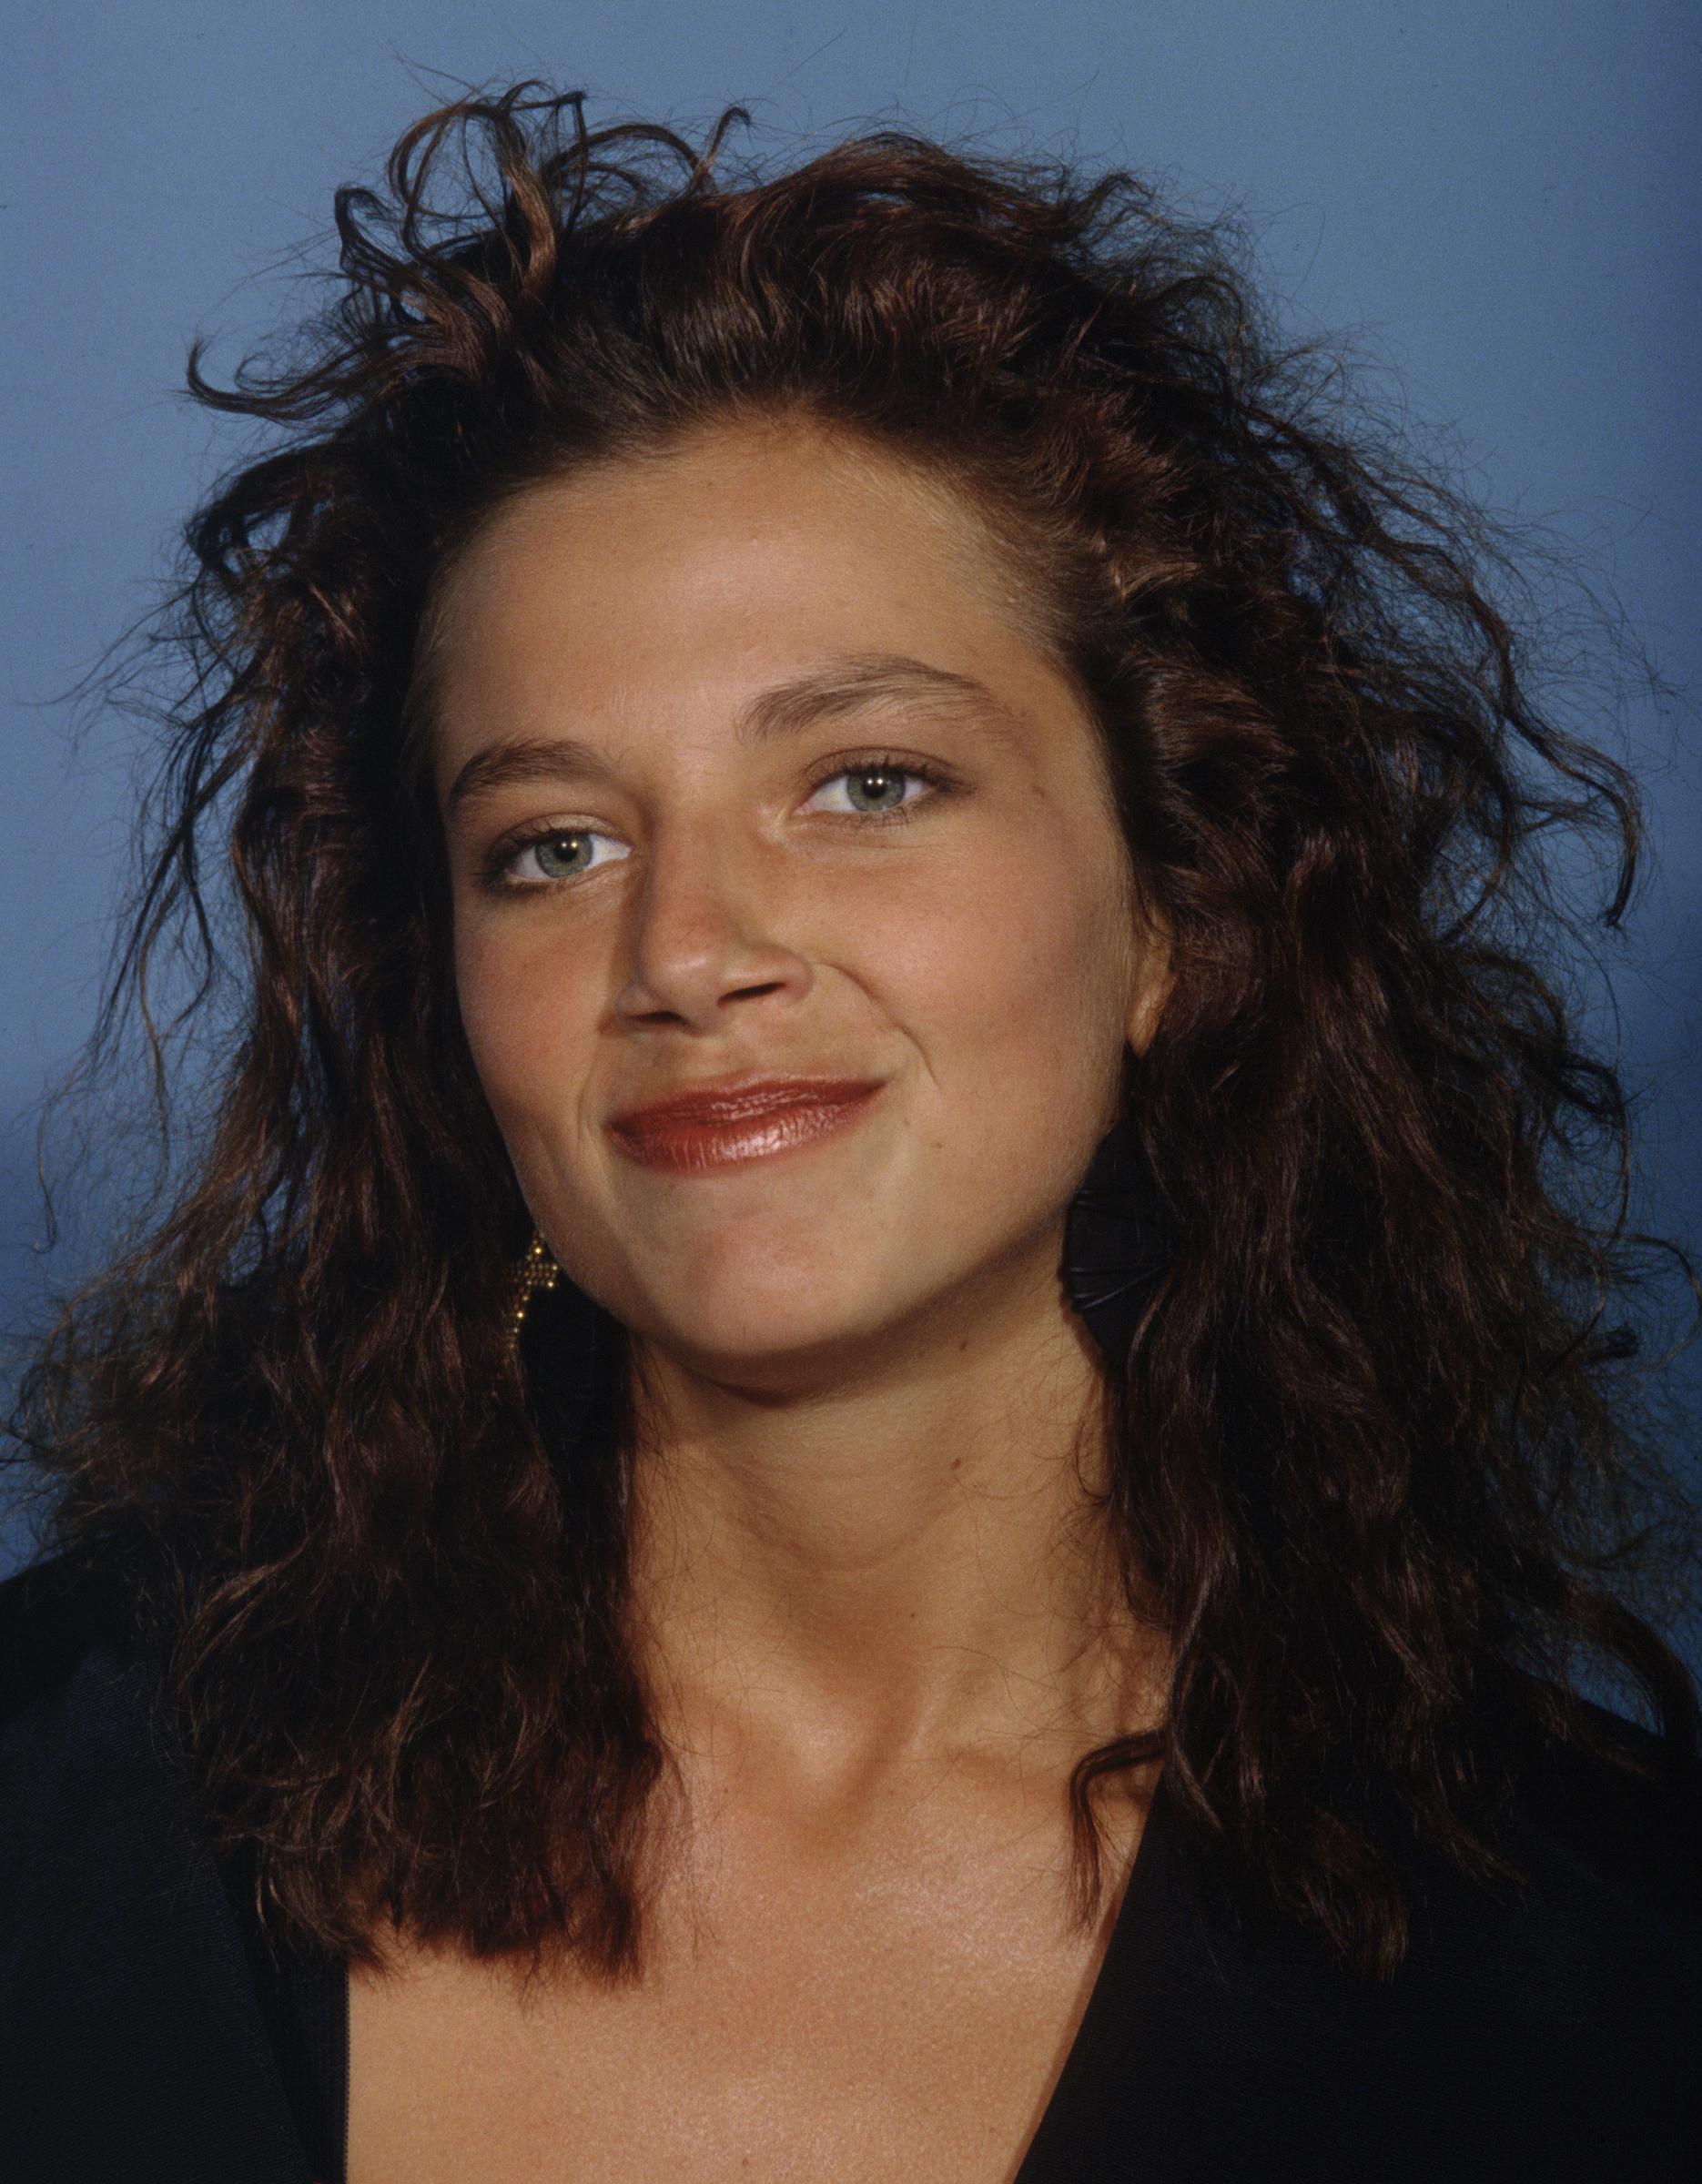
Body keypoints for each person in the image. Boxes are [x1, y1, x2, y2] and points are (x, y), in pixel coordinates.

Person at [2, 80, 1698, 2184]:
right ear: (441, 1004)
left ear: (1178, 908)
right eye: (550, 843)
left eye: (867, 782)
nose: (687, 949)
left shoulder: (1607, 1990)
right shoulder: (64, 1784)